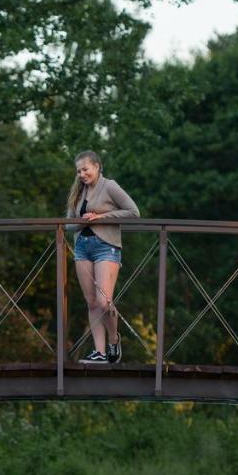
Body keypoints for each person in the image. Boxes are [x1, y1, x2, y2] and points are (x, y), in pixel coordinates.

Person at [64, 150, 140, 364]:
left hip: (106, 247)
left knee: (103, 301)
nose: (81, 174)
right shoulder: (77, 193)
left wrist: (100, 218)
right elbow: (69, 225)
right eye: (78, 171)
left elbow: (133, 212)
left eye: (85, 169)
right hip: (82, 248)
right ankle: (99, 352)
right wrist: (83, 222)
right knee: (91, 302)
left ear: (97, 167)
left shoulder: (110, 186)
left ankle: (114, 340)